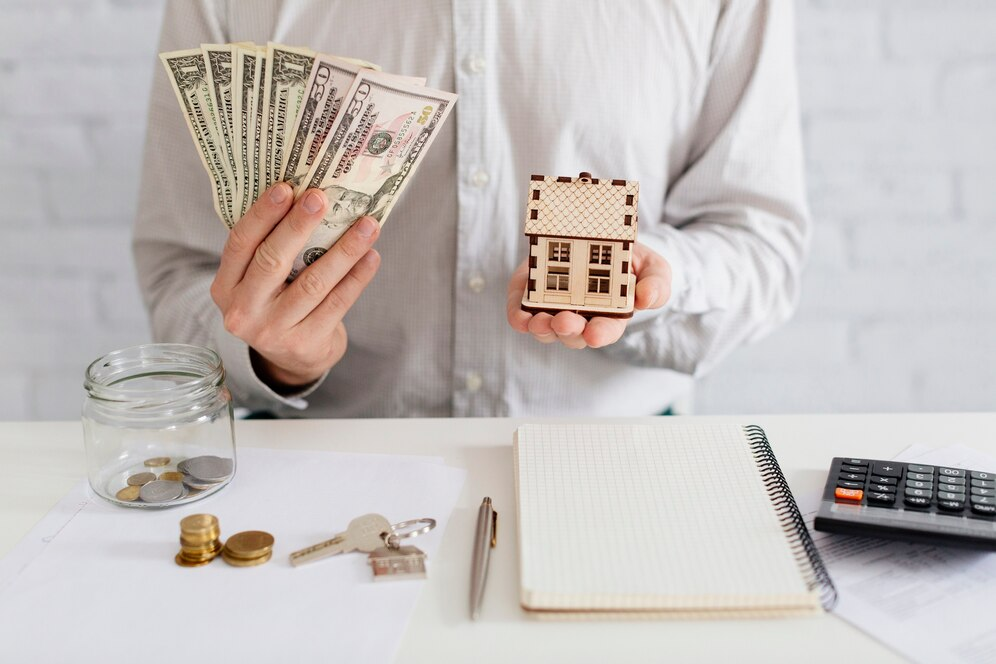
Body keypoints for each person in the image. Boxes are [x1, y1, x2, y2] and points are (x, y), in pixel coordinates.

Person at [134, 0, 809, 418]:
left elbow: (760, 246)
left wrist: (656, 280)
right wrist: (274, 358)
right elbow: (179, 274)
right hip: (332, 464)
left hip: (617, 456)